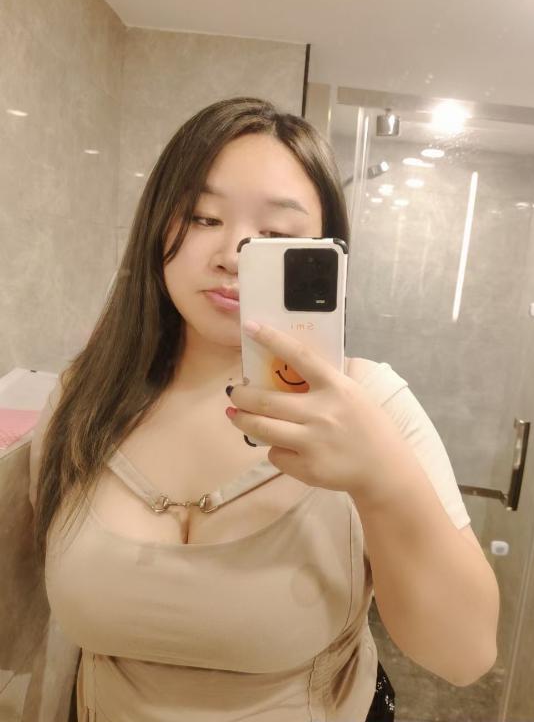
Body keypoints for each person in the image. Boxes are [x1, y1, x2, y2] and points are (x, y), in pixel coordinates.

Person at [28, 97, 475, 721]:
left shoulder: (371, 404)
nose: (233, 254)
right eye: (202, 217)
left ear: (324, 255)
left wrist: (383, 480)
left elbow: (464, 656)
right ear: (157, 225)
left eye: (277, 236)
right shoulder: (84, 398)